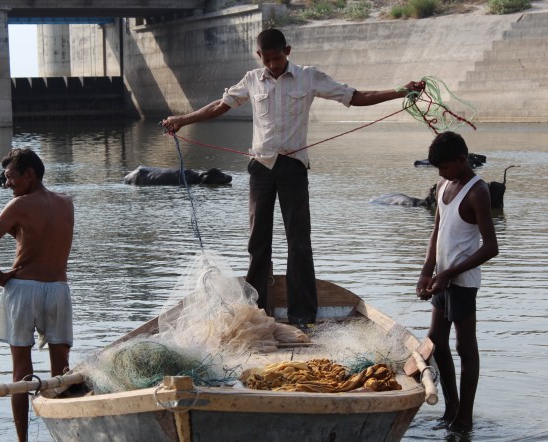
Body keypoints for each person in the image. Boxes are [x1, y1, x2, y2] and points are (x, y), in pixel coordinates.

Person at [162, 28, 424, 330]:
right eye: (268, 60)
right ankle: (256, 310)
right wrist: (182, 120)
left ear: (288, 50)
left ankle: (303, 315)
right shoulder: (251, 80)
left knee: (299, 241)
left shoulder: (308, 77)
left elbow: (356, 97)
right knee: (258, 241)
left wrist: (402, 91)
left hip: (293, 167)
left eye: (278, 58)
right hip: (260, 167)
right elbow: (219, 106)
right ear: (259, 56)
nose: (273, 65)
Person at [0, 148, 74, 441]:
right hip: (58, 289)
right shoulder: (66, 203)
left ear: (29, 174)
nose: (7, 184)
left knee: (21, 373)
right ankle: (66, 434)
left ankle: (23, 440)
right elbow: (40, 236)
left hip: (23, 290)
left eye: (11, 178)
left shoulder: (19, 205)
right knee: (62, 372)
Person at [416, 131, 498, 433]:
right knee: (436, 344)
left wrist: (449, 274)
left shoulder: (478, 191)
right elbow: (436, 232)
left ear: (461, 160)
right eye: (438, 169)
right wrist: (427, 271)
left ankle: (465, 417)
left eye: (445, 167)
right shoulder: (442, 185)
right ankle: (450, 407)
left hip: (462, 282)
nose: (441, 173)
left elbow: (491, 247)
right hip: (442, 278)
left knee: (465, 348)